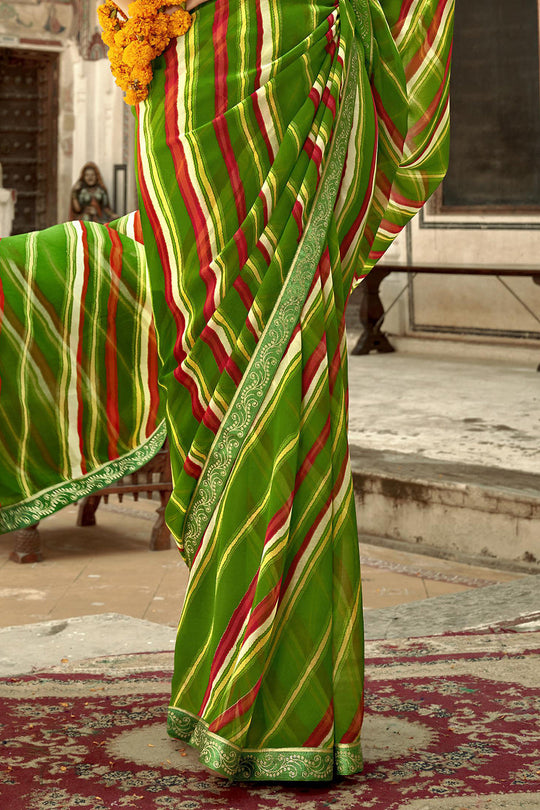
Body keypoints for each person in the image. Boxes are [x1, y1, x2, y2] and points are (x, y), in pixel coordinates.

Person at [0, 0, 453, 782]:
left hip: (285, 54)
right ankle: (250, 686)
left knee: (281, 366)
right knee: (206, 324)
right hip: (191, 64)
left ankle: (278, 702)